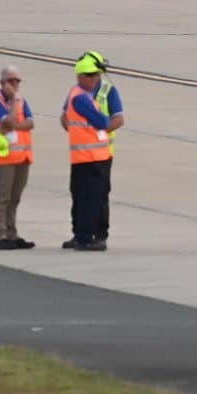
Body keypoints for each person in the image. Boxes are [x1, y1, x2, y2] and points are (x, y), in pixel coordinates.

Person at [59, 52, 121, 251]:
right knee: (79, 195)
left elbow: (116, 119)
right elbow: (66, 118)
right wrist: (82, 132)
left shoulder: (109, 91)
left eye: (98, 74)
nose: (96, 77)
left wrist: (99, 131)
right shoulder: (77, 94)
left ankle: (98, 235)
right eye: (92, 74)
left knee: (99, 197)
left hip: (102, 153)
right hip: (83, 154)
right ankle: (80, 233)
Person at [0, 65, 35, 250]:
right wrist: (13, 100)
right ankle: (0, 235)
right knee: (3, 197)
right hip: (5, 157)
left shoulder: (22, 101)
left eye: (17, 81)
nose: (15, 84)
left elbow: (29, 123)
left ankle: (12, 233)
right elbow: (7, 121)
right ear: (2, 83)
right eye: (11, 81)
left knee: (15, 198)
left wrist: (15, 125)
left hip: (22, 156)